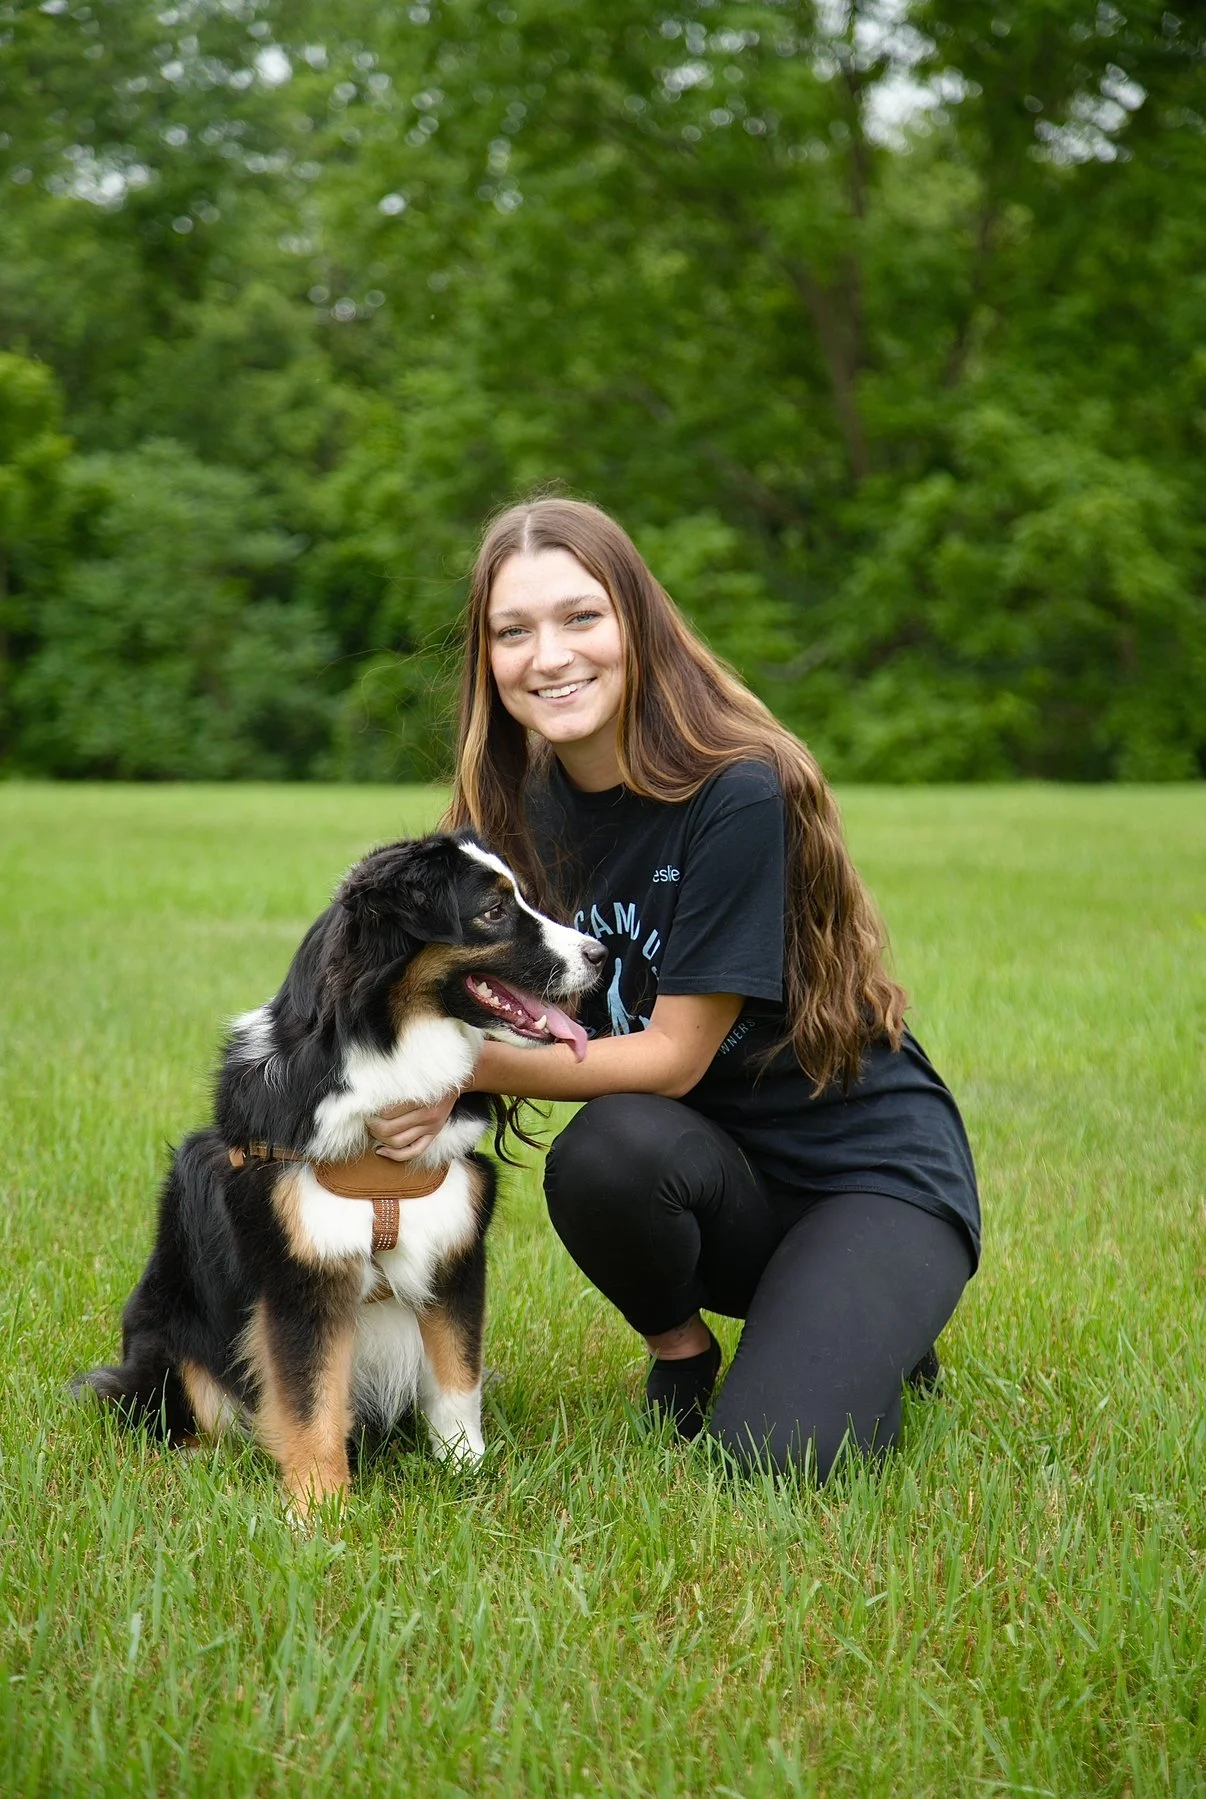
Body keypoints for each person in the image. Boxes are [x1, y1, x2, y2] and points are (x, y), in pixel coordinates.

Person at [368, 498, 980, 1478]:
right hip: (705, 1169)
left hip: (868, 1178)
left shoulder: (735, 789)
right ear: (488, 659)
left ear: (636, 623)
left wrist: (463, 1064)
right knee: (606, 1151)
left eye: (580, 617)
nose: (548, 654)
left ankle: (871, 1311)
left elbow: (674, 1053)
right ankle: (683, 1352)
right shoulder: (507, 817)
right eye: (512, 631)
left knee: (775, 1460)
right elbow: (418, 998)